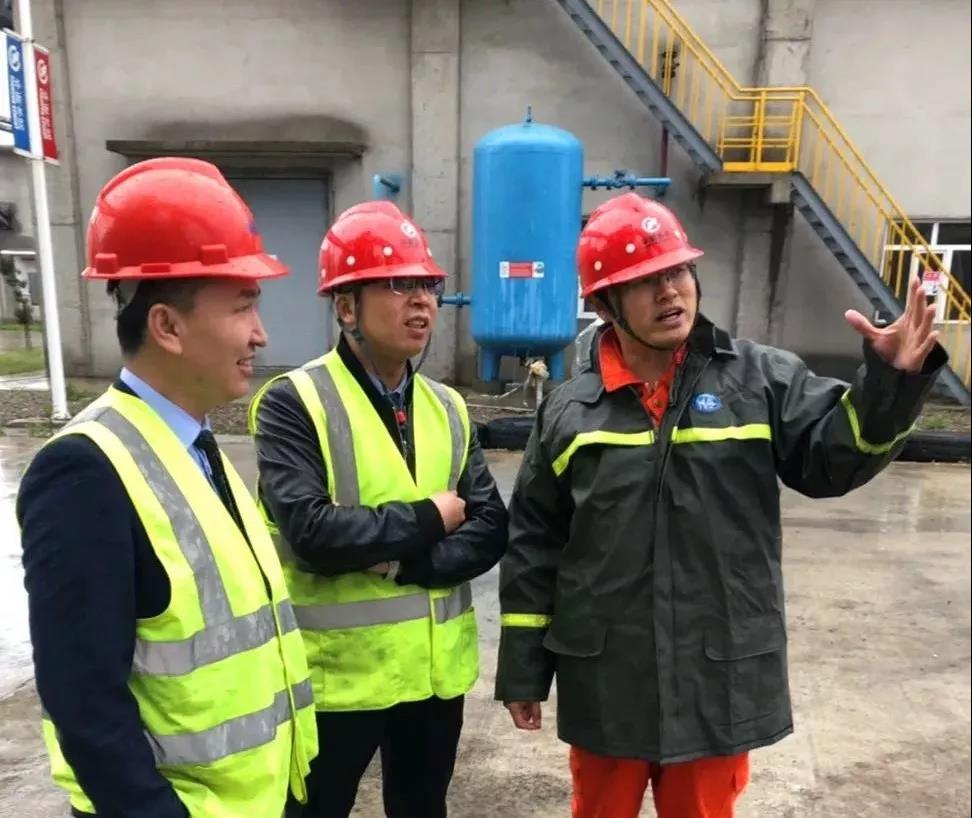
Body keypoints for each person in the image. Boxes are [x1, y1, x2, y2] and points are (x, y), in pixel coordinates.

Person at [495, 192, 946, 818]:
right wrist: (523, 670)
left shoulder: (758, 380)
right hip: (607, 677)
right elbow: (535, 545)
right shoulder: (569, 411)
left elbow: (835, 460)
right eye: (644, 281)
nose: (669, 292)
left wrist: (889, 383)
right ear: (603, 305)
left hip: (715, 676)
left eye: (678, 271)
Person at [18, 157, 317, 818]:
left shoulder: (196, 448)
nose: (261, 334)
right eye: (243, 307)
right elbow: (85, 705)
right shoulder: (84, 474)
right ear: (168, 327)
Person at [249, 200, 509, 818]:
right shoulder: (293, 402)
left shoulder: (447, 406)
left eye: (428, 286)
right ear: (346, 308)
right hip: (338, 682)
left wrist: (404, 565)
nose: (421, 302)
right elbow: (313, 531)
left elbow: (490, 527)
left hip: (433, 680)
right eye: (397, 285)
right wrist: (430, 518)